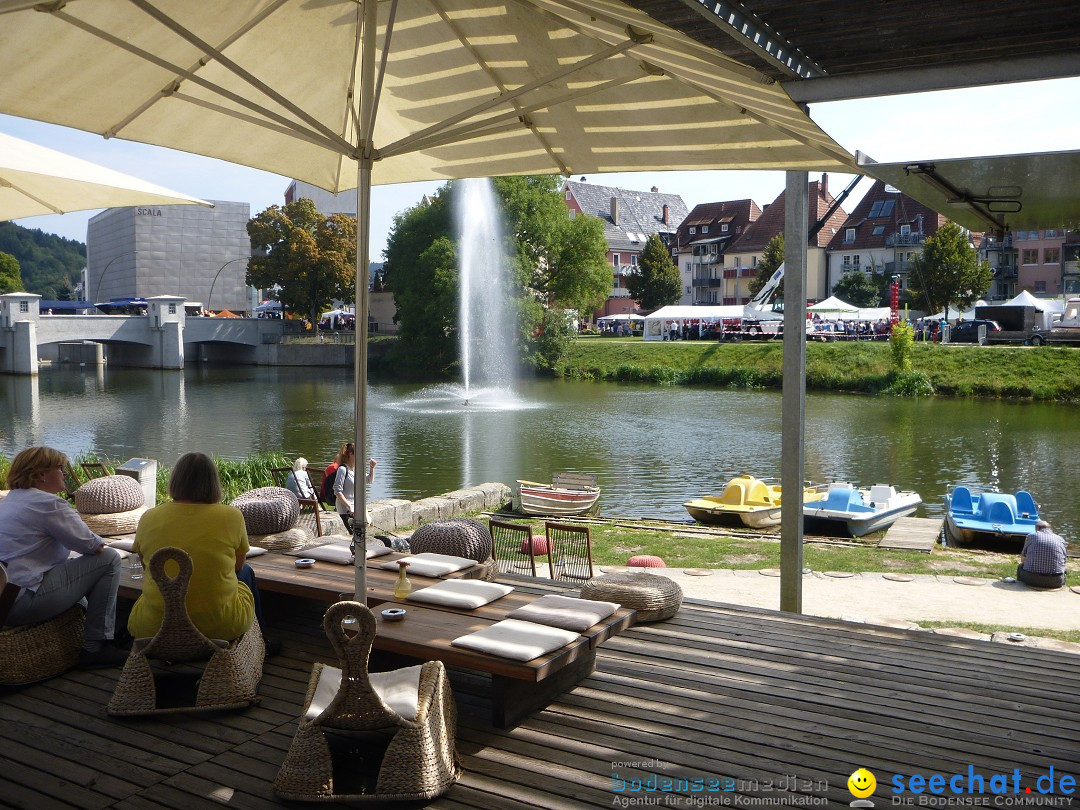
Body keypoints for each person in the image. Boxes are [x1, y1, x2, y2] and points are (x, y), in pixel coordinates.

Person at [128, 452, 279, 654]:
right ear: (213, 483)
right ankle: (262, 644)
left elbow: (149, 566)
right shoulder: (231, 516)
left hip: (152, 626)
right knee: (247, 572)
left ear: (175, 481)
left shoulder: (149, 517)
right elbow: (238, 566)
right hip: (221, 625)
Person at [0, 446, 126, 668]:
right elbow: (94, 546)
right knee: (110, 559)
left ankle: (98, 631)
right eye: (60, 468)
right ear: (40, 474)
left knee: (72, 566)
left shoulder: (10, 501)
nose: (65, 473)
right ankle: (95, 649)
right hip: (20, 603)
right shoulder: (49, 504)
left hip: (5, 598)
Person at [333, 443, 376, 533]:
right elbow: (337, 491)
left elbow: (369, 480)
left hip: (355, 506)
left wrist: (372, 467)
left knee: (360, 534)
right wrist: (349, 507)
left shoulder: (356, 469)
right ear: (351, 454)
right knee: (356, 535)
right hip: (346, 509)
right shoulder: (342, 469)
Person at [1016, 520, 1067, 589]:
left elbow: (1023, 559)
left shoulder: (1031, 536)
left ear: (1038, 529)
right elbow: (1064, 562)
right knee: (1064, 570)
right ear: (1050, 528)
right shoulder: (1060, 539)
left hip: (1031, 580)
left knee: (1020, 567)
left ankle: (1020, 585)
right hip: (1056, 581)